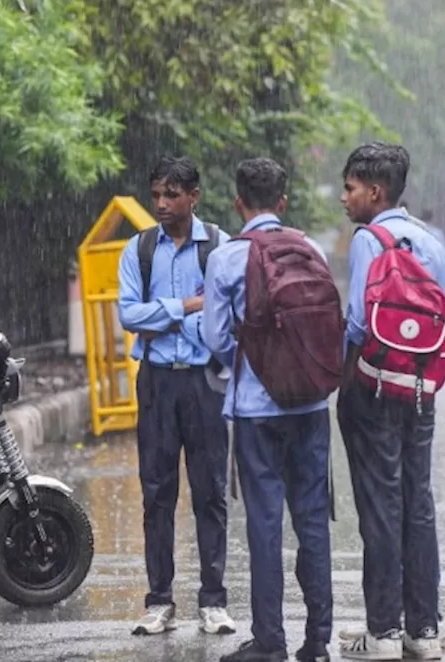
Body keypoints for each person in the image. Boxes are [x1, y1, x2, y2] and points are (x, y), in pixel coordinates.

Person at [337, 142, 445, 661]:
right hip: (420, 394)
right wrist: (429, 370)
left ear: (375, 191)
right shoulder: (430, 241)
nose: (344, 199)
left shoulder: (370, 240)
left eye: (349, 189)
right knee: (419, 505)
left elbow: (356, 321)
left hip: (373, 390)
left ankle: (384, 632)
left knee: (380, 506)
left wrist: (352, 376)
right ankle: (424, 628)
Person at [202, 159, 333, 662]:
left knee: (264, 525)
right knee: (313, 522)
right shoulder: (311, 248)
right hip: (310, 405)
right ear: (283, 202)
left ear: (239, 202)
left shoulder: (227, 257)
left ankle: (270, 640)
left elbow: (215, 337)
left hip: (257, 409)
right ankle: (318, 640)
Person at [118, 156, 234, 637]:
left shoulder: (221, 247)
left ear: (194, 196)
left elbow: (227, 312)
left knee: (210, 492)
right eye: (157, 195)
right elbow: (129, 315)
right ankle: (159, 600)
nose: (162, 204)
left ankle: (213, 600)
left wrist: (160, 315)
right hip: (158, 380)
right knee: (156, 491)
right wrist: (186, 306)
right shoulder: (140, 249)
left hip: (206, 380)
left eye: (172, 195)